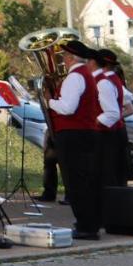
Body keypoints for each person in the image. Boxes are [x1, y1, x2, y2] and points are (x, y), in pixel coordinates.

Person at [47, 39, 102, 240]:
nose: (63, 61)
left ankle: (86, 226)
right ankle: (87, 223)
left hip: (73, 135)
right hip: (84, 133)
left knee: (76, 182)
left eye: (63, 57)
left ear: (70, 58)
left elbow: (68, 108)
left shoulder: (75, 77)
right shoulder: (85, 75)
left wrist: (49, 101)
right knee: (83, 180)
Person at [92, 47, 131, 199]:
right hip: (117, 130)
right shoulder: (114, 79)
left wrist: (98, 120)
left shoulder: (105, 81)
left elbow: (115, 111)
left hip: (108, 132)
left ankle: (112, 208)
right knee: (115, 172)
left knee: (108, 173)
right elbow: (128, 101)